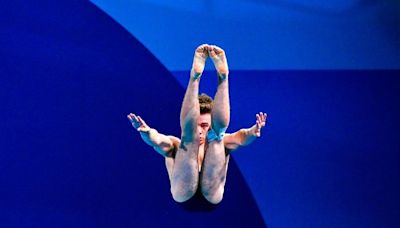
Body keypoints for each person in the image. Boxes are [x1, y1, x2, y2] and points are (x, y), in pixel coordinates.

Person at [127, 44, 267, 204]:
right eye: (197, 125)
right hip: (183, 195)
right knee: (188, 140)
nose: (201, 131)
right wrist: (147, 132)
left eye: (205, 125)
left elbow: (242, 137)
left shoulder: (223, 143)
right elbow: (157, 140)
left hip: (211, 196)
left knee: (217, 137)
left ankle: (222, 78)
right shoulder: (175, 144)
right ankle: (195, 77)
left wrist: (252, 132)